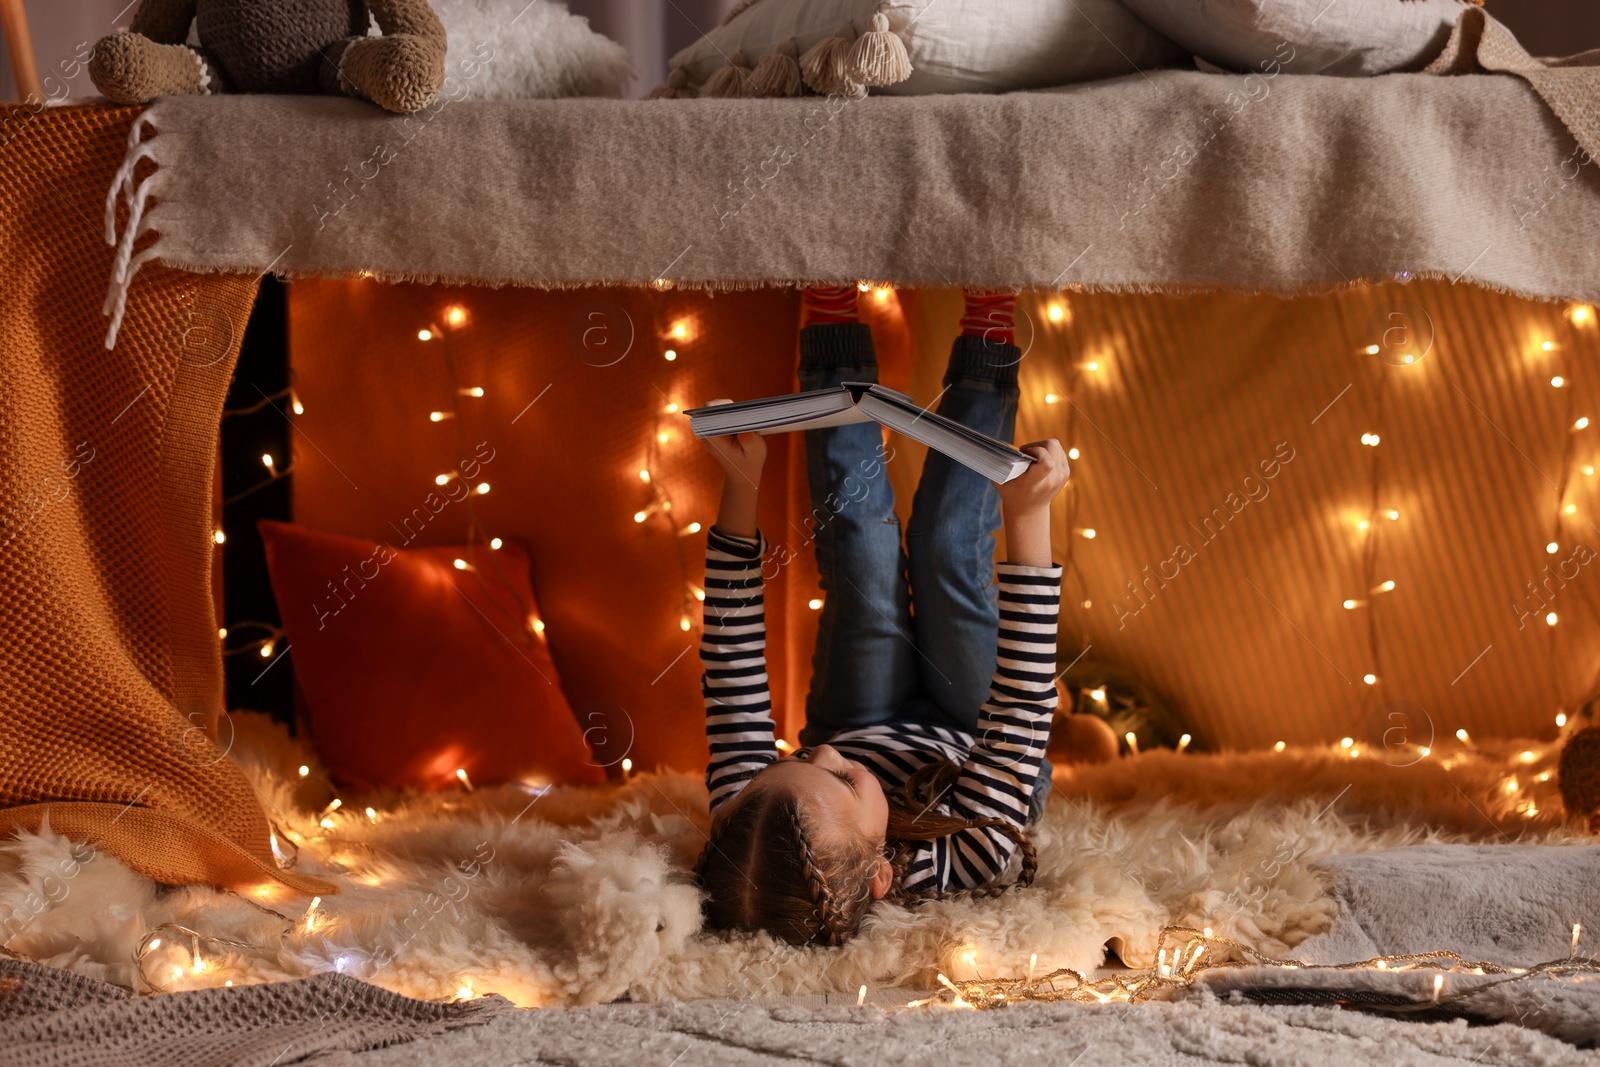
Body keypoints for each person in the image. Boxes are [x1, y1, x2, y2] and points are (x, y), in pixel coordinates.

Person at [693, 286, 1069, 947]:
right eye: (838, 775)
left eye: (801, 754)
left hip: (863, 713)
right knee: (948, 546)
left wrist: (741, 482)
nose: (824, 751)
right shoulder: (973, 855)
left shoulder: (745, 813)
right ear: (880, 873)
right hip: (973, 736)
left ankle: (832, 323)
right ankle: (989, 330)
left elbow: (731, 666)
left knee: (863, 552)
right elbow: (1020, 705)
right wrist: (1029, 515)